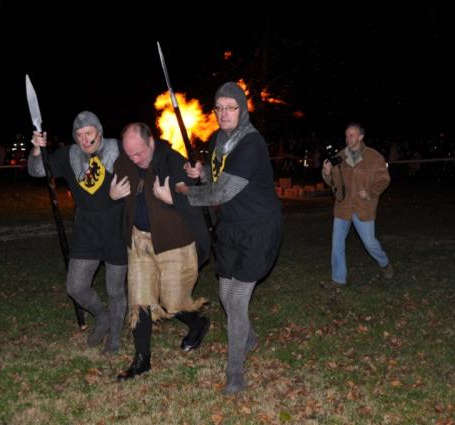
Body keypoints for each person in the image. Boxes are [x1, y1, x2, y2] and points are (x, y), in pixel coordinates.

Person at [176, 82, 283, 395]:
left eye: (230, 107)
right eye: (219, 108)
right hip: (231, 227)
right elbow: (217, 177)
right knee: (225, 294)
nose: (224, 113)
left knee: (236, 301)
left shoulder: (251, 144)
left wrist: (186, 192)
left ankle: (235, 373)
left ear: (242, 110)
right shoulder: (219, 140)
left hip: (258, 229)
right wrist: (200, 174)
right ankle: (248, 337)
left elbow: (221, 193)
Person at [110, 122, 211, 381]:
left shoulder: (172, 161)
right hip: (140, 241)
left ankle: (198, 322)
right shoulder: (123, 163)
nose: (135, 159)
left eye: (139, 153)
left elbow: (195, 193)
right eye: (129, 154)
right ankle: (142, 359)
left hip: (173, 241)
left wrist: (173, 198)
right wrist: (111, 194)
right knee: (139, 299)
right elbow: (103, 190)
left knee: (173, 302)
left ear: (151, 142)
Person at [28, 111, 128, 353]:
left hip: (117, 228)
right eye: (79, 135)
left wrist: (120, 195)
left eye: (89, 133)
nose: (84, 139)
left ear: (99, 132)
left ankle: (115, 336)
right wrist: (37, 149)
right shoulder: (69, 154)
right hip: (86, 231)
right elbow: (37, 171)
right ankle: (102, 317)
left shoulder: (119, 148)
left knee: (115, 290)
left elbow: (143, 168)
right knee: (75, 287)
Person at [321, 123, 392, 289]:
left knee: (370, 243)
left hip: (363, 207)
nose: (348, 138)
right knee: (337, 244)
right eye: (346, 135)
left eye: (352, 135)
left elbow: (384, 179)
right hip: (343, 207)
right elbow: (333, 182)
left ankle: (385, 263)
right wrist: (327, 173)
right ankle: (338, 279)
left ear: (361, 137)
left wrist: (369, 193)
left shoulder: (374, 157)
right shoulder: (339, 156)